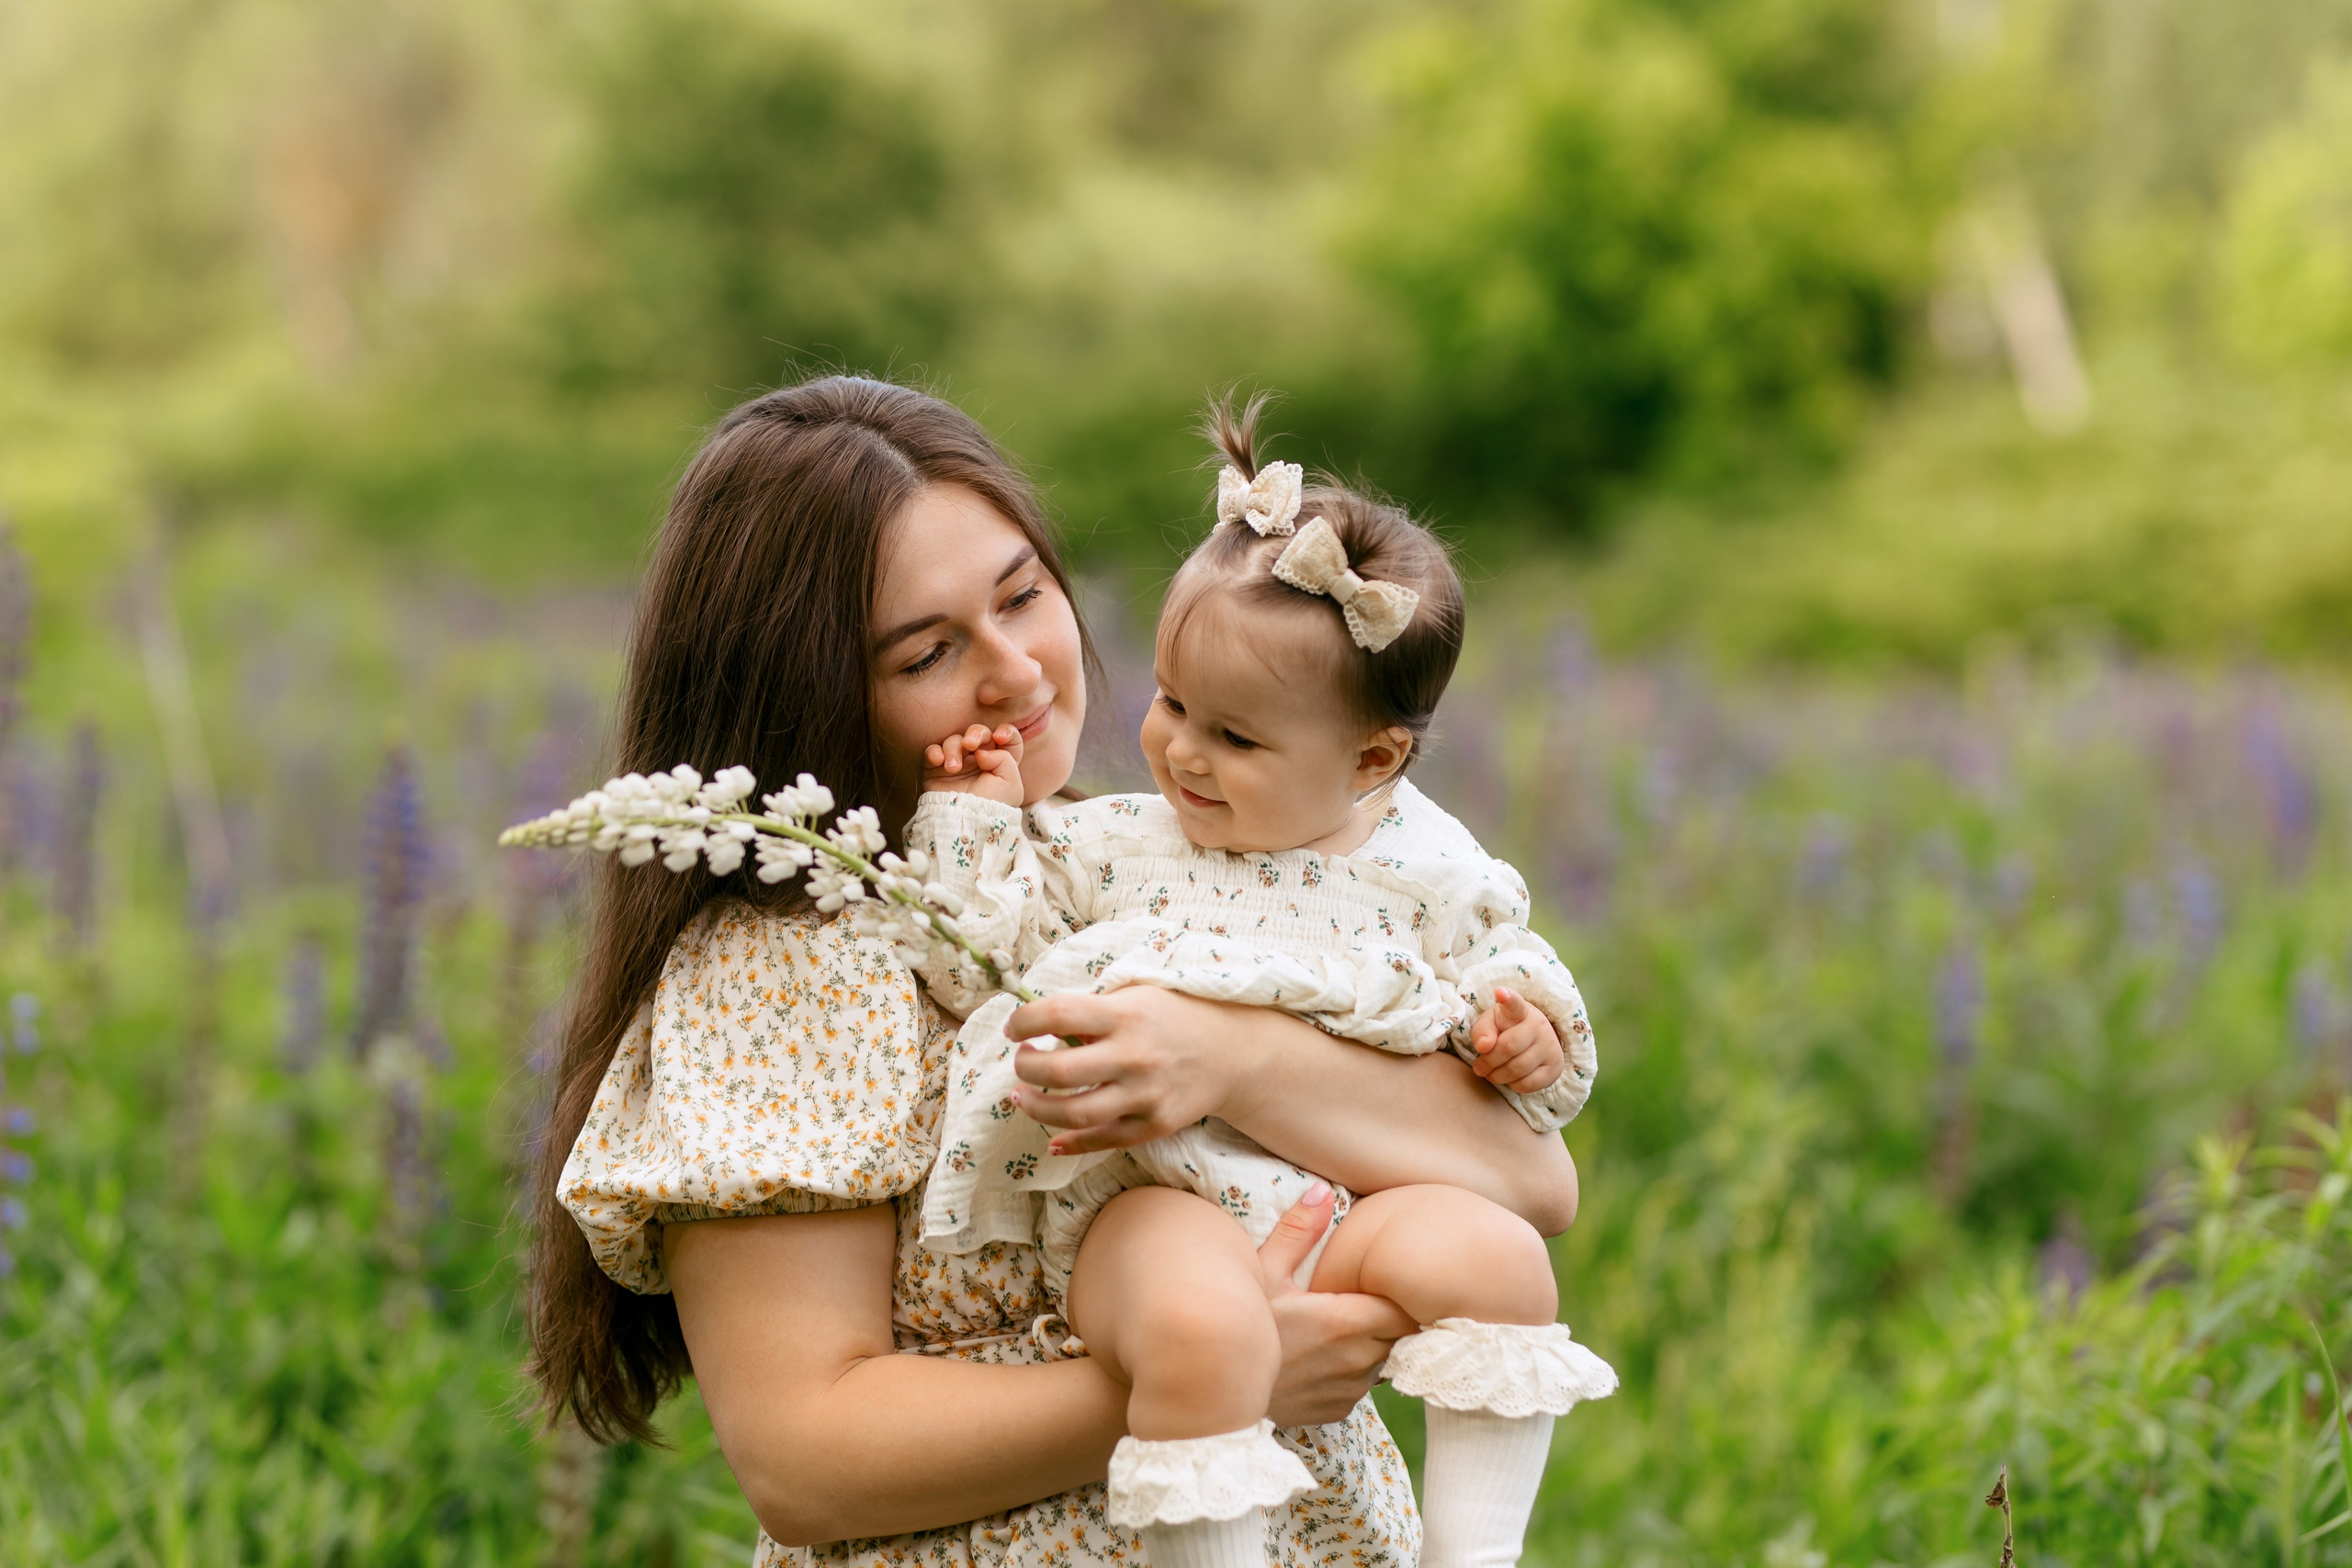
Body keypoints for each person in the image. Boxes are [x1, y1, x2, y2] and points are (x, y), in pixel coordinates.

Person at [526, 375, 1583, 1568]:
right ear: (803, 689)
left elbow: (1529, 1182)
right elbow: (803, 1458)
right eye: (929, 651)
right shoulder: (790, 960)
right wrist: (1227, 1371)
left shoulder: (1152, 863)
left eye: (1023, 594)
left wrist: (1233, 1054)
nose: (1019, 673)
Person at [897, 396, 1612, 1568]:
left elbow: (1512, 980)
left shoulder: (1428, 867)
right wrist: (971, 824)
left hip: (1342, 1207)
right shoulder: (1118, 843)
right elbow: (977, 950)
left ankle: (1470, 1556)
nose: (1178, 749)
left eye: (1235, 738)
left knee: (1499, 1262)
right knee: (1202, 1330)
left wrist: (1530, 1037)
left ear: (1373, 759)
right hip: (1149, 1206)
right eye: (1174, 703)